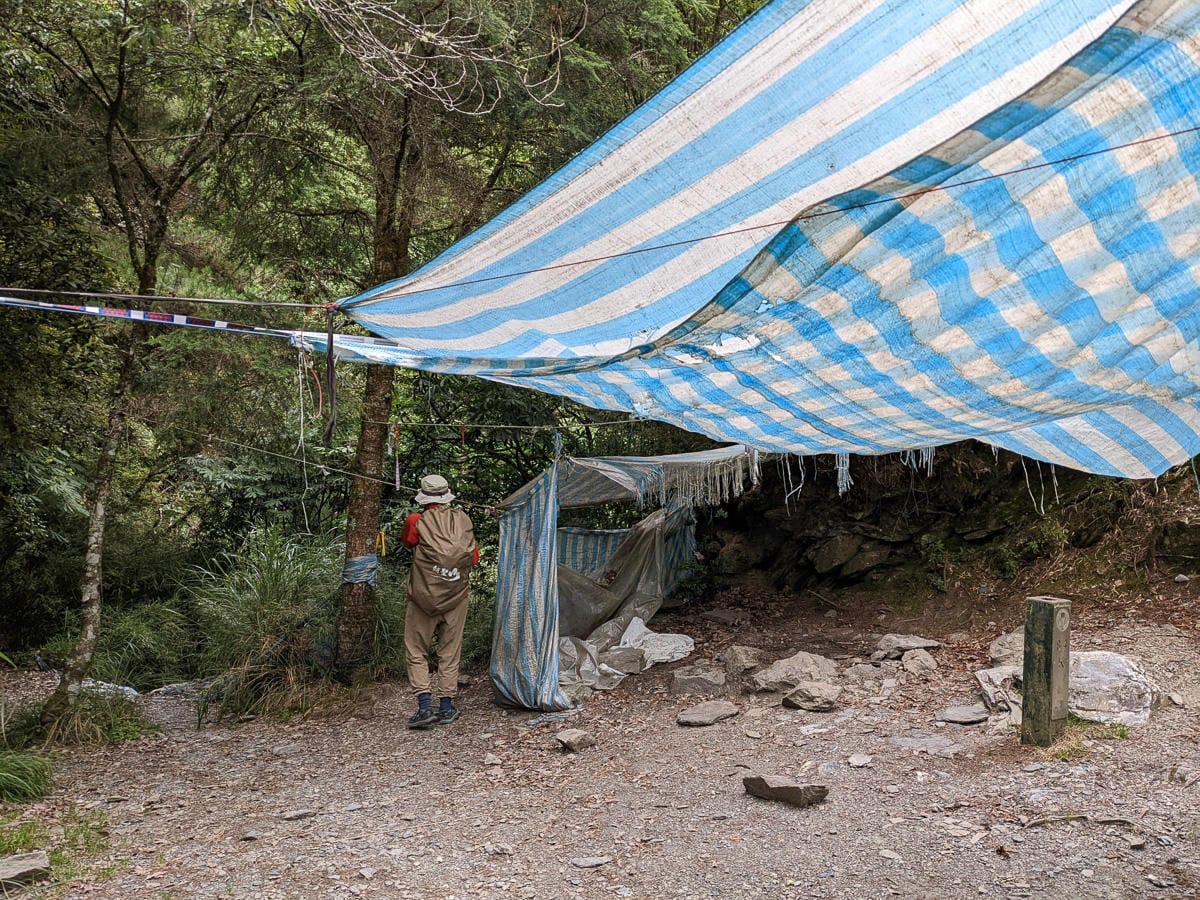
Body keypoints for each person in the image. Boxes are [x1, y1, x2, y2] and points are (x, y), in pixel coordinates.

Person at [401, 474, 479, 729]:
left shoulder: (416, 520)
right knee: (450, 651)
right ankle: (446, 707)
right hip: (456, 598)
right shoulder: (462, 520)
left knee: (416, 650)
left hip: (422, 597)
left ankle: (424, 707)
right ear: (447, 495)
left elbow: (407, 543)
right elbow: (474, 558)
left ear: (423, 496)